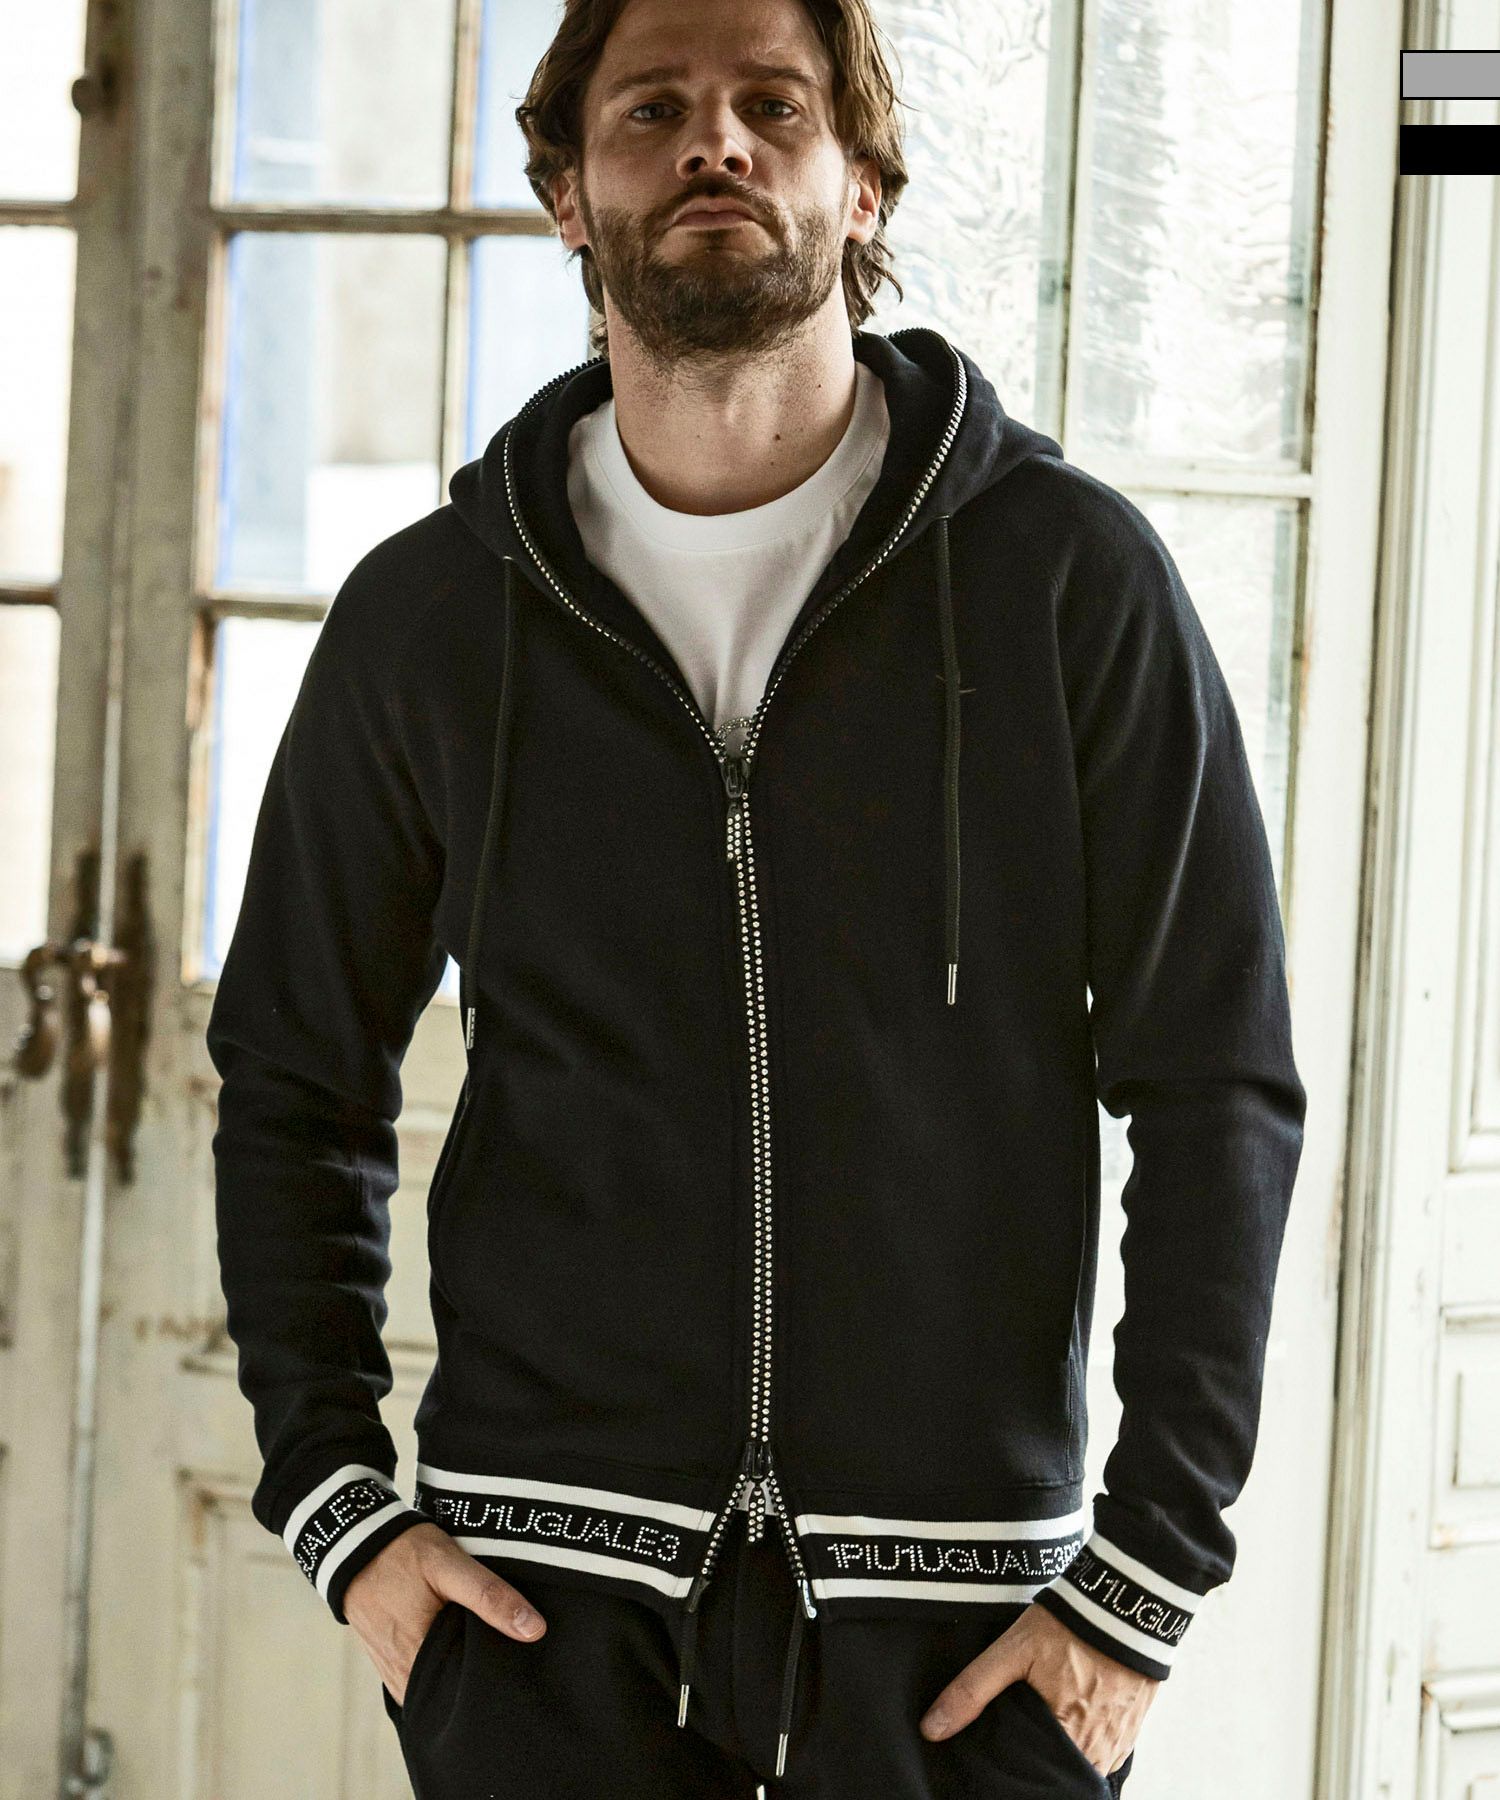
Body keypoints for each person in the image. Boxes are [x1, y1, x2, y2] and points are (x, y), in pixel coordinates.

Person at [205, 0, 1307, 1792]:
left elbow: (1221, 1087)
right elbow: (292, 1076)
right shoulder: (431, 619)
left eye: (771, 106)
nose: (713, 142)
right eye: (651, 110)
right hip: (540, 1621)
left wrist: (1144, 1581)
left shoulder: (1065, 583)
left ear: (863, 183)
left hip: (962, 1642)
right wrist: (340, 1505)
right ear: (568, 194)